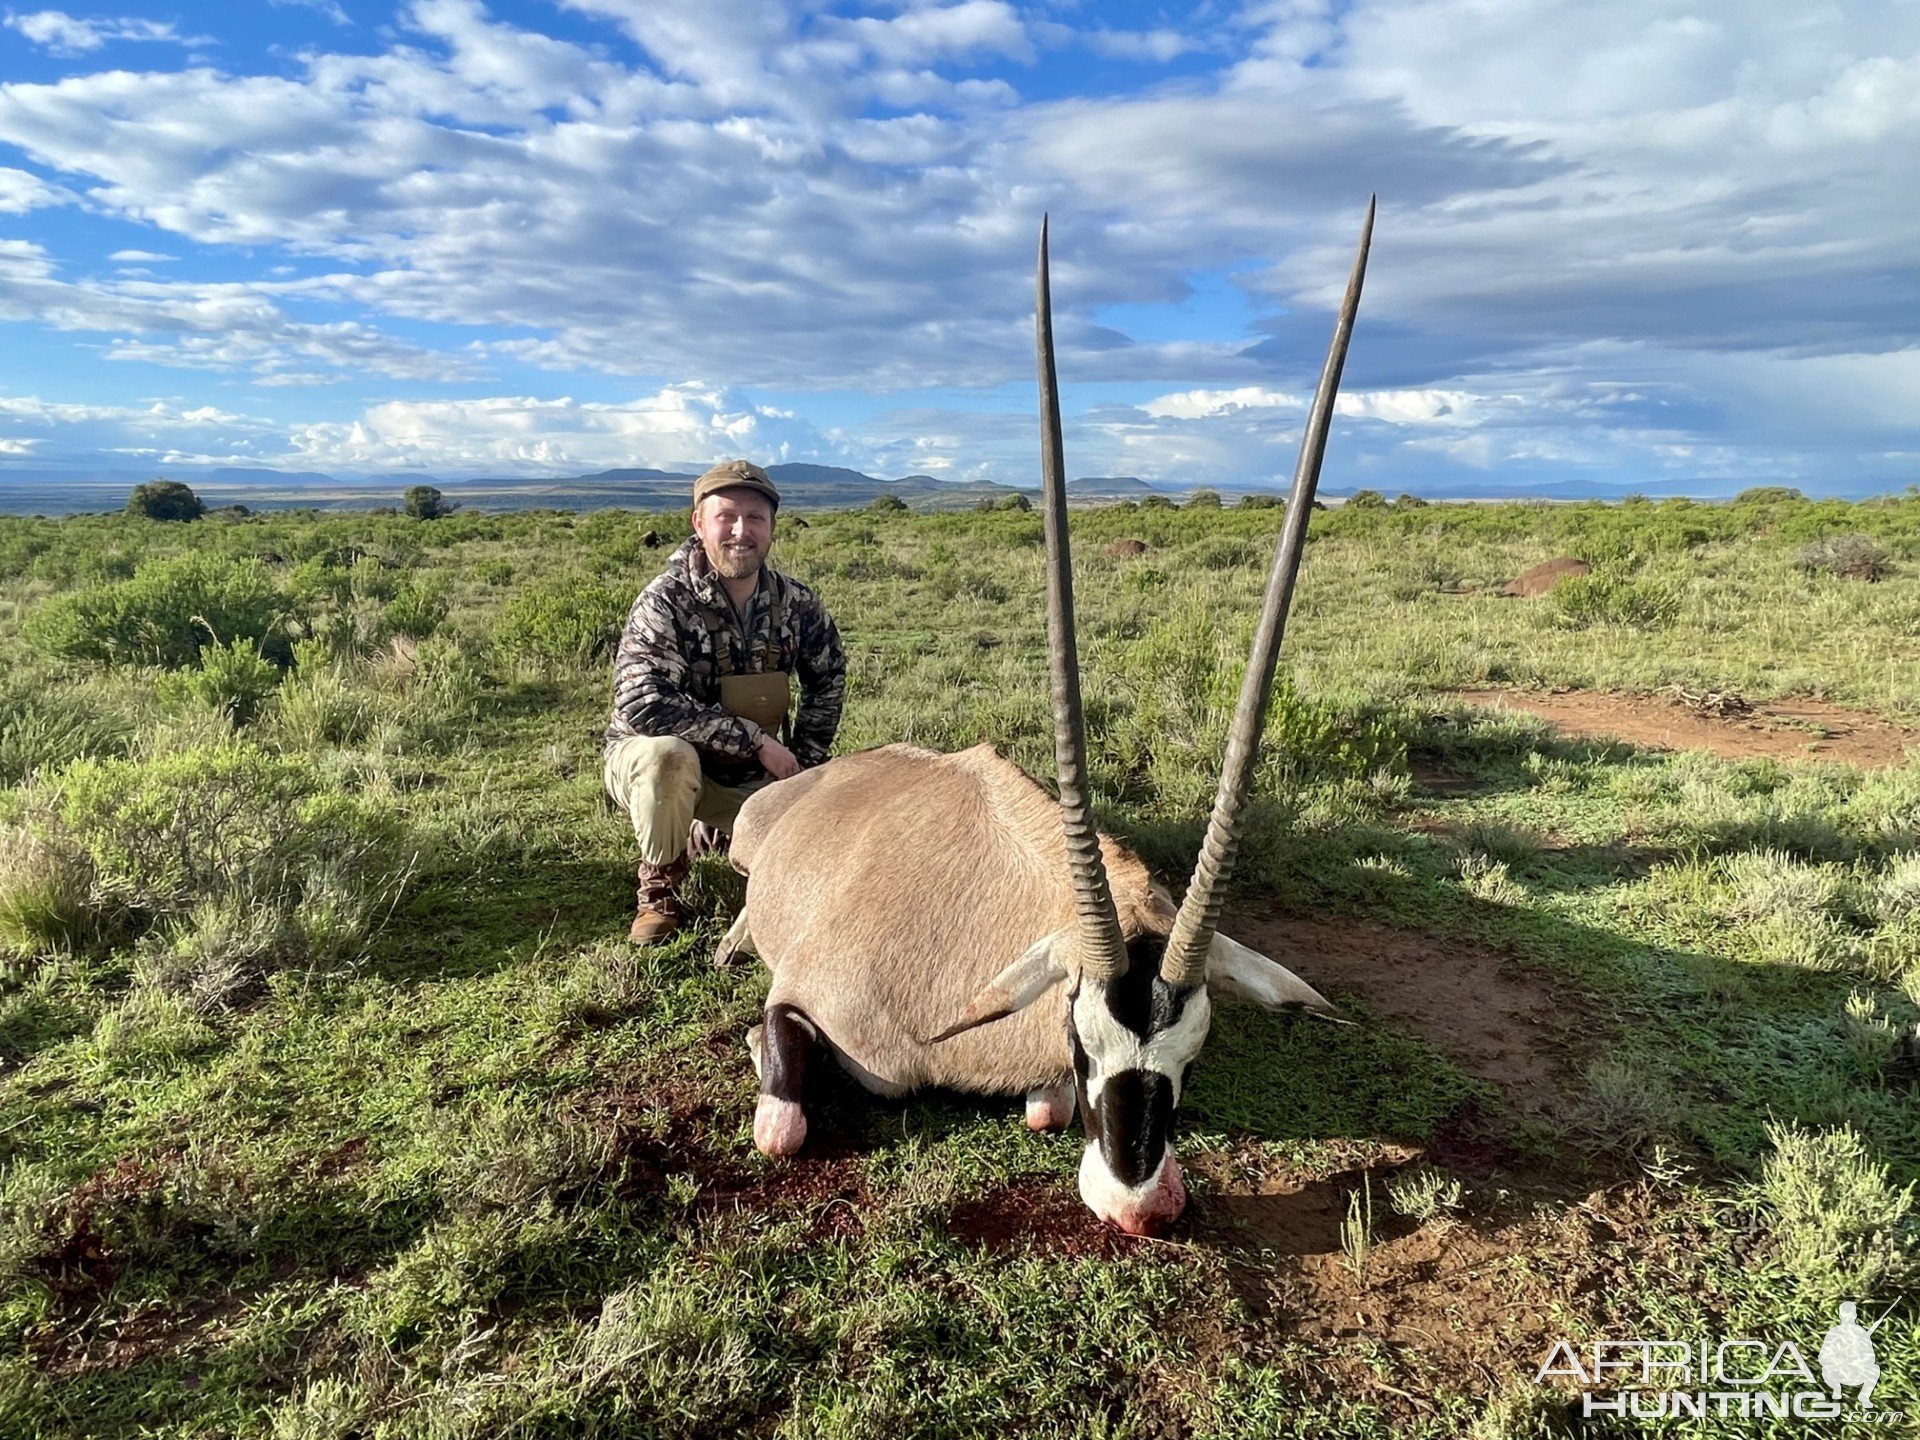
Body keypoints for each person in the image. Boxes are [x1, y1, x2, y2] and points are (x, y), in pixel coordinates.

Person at [603, 460, 846, 943]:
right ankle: (659, 890)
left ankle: (723, 833)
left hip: (751, 776)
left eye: (755, 518)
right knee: (667, 757)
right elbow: (642, 702)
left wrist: (805, 769)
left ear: (773, 526)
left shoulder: (796, 604)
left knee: (844, 819)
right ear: (699, 523)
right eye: (726, 517)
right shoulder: (664, 601)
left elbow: (828, 679)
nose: (741, 531)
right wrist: (755, 740)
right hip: (654, 765)